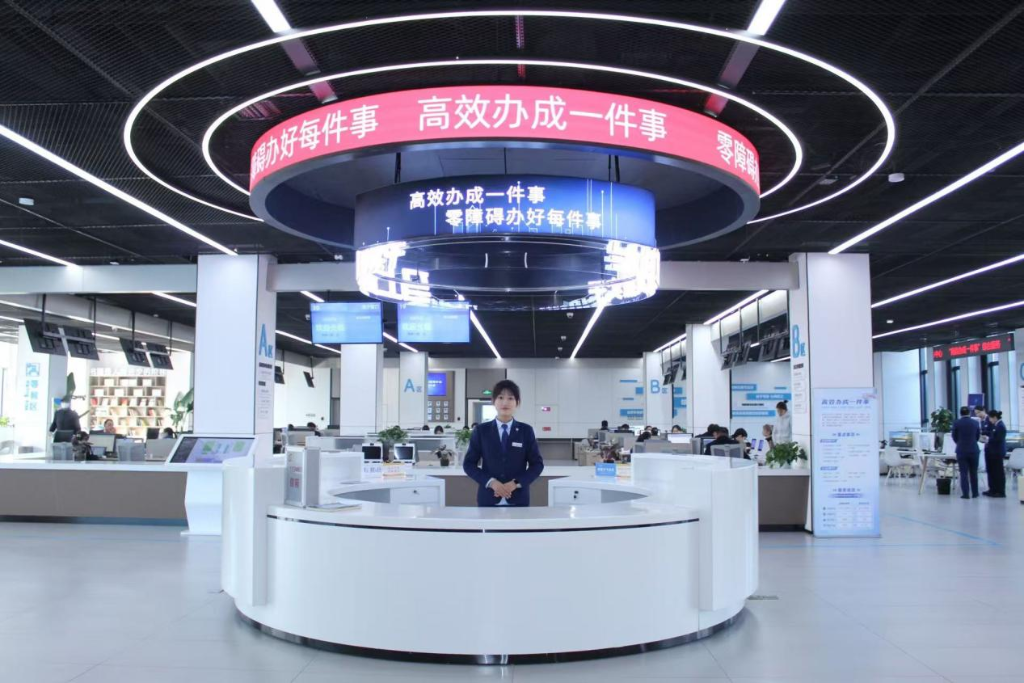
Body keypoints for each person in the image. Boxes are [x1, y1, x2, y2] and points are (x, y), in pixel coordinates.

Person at [462, 379, 544, 506]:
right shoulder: (481, 431)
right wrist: (491, 482)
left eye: (510, 398)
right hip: (488, 498)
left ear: (517, 403)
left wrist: (515, 483)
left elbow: (537, 465)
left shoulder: (526, 431)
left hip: (518, 499)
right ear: (493, 401)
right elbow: (469, 464)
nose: (505, 402)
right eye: (500, 397)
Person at [951, 406, 981, 499]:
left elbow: (954, 436)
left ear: (960, 413)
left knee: (963, 472)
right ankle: (975, 493)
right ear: (969, 413)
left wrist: (960, 443)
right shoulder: (975, 423)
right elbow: (977, 436)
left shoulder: (956, 423)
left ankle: (965, 494)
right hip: (974, 450)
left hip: (961, 450)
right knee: (974, 472)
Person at [983, 410, 1007, 498]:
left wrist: (988, 439)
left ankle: (1000, 491)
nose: (989, 420)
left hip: (997, 453)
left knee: (998, 472)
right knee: (991, 471)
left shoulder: (1001, 426)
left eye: (990, 418)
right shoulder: (995, 425)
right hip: (991, 452)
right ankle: (992, 489)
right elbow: (991, 434)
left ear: (994, 417)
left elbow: (998, 439)